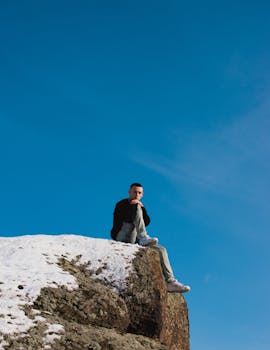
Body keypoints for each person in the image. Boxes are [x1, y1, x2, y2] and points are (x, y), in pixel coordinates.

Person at [111, 182, 191, 293]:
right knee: (135, 211)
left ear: (142, 194)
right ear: (129, 192)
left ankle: (171, 282)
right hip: (122, 236)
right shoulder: (122, 204)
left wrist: (141, 208)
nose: (137, 194)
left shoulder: (138, 205)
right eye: (135, 192)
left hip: (135, 240)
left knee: (161, 250)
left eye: (139, 193)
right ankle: (143, 237)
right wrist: (134, 206)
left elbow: (147, 221)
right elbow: (126, 218)